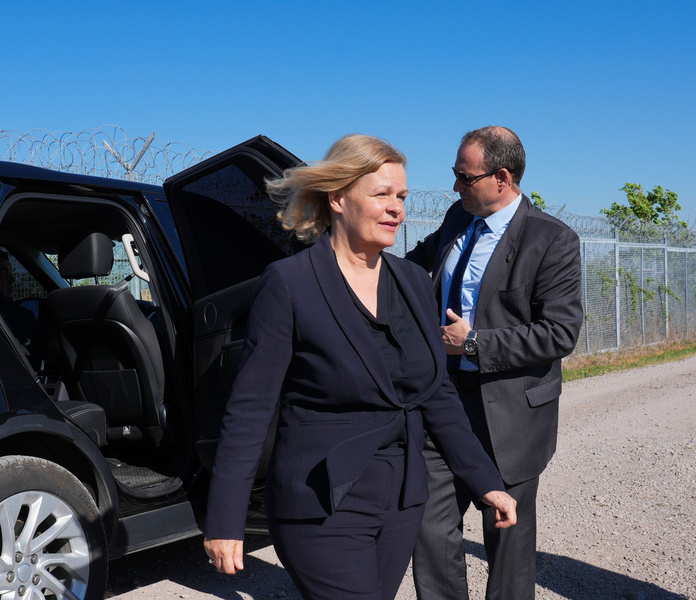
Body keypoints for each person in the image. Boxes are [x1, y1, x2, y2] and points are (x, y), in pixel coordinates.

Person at [203, 134, 517, 600]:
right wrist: (225, 517)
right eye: (381, 195)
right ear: (338, 198)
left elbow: (435, 394)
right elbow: (251, 408)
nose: (397, 209)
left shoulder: (412, 281)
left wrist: (485, 481)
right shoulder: (290, 284)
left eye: (402, 197)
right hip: (321, 502)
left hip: (401, 500)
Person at [406, 126, 583, 600]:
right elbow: (409, 269)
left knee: (507, 541)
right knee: (428, 527)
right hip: (442, 402)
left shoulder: (552, 240)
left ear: (501, 177)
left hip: (510, 414)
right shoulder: (455, 219)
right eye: (455, 176)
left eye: (465, 177)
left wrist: (473, 344)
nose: (457, 186)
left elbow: (560, 333)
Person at [0, 249, 54, 355]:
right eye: (3, 272)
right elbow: (56, 344)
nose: (12, 278)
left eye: (10, 271)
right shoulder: (12, 314)